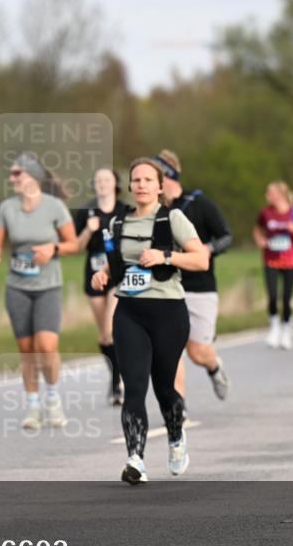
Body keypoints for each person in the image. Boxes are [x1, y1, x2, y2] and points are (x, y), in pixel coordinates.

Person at [91, 158, 209, 485]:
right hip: (129, 312)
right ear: (130, 186)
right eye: (136, 180)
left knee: (164, 388)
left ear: (160, 186)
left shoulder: (173, 218)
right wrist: (102, 275)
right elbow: (116, 266)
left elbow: (201, 259)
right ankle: (136, 459)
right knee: (134, 387)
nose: (141, 185)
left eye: (148, 180)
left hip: (169, 312)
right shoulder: (118, 224)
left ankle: (175, 437)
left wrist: (165, 256)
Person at [0, 153, 78, 430]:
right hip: (18, 287)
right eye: (11, 174)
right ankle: (33, 406)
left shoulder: (55, 207)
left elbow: (73, 243)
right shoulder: (7, 209)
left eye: (17, 173)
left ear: (33, 176)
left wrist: (53, 249)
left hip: (49, 286)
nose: (12, 178)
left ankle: (53, 399)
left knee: (46, 347)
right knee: (26, 350)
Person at [152, 150, 232, 403]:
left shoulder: (199, 203)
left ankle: (214, 366)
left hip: (200, 286)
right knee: (170, 350)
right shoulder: (154, 208)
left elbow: (226, 237)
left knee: (197, 352)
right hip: (167, 287)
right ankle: (179, 408)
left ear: (168, 175)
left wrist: (206, 249)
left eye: (155, 174)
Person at [74, 167, 127, 405]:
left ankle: (118, 383)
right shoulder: (86, 211)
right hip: (94, 273)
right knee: (104, 335)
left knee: (112, 327)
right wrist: (88, 229)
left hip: (118, 274)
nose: (102, 184)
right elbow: (75, 246)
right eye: (98, 180)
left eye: (106, 179)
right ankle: (115, 376)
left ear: (115, 183)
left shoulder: (125, 210)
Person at [253, 181, 293, 350]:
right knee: (272, 296)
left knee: (286, 298)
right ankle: (274, 327)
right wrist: (260, 240)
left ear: (280, 194)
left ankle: (286, 331)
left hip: (290, 261)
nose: (267, 196)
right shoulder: (265, 213)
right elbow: (257, 229)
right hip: (270, 260)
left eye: (269, 192)